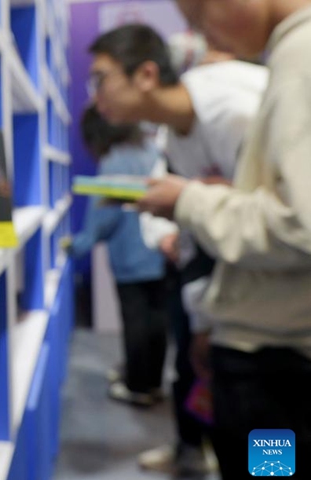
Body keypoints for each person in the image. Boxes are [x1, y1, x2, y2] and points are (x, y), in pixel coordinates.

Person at [138, 1, 311, 478]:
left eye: (198, 12)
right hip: (271, 348)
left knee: (268, 473)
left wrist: (190, 202)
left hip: (271, 360)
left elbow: (301, 223)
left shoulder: (300, 57)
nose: (203, 33)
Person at [88, 23, 268, 474]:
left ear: (146, 74)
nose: (96, 96)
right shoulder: (177, 135)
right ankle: (192, 449)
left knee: (271, 449)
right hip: (233, 315)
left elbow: (280, 222)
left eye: (102, 78)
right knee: (237, 431)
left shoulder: (236, 110)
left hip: (275, 333)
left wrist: (190, 202)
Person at [65, 104, 167, 407]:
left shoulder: (114, 160)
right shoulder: (152, 150)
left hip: (129, 258)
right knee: (156, 322)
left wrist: (77, 245)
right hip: (160, 253)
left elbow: (104, 216)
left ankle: (137, 387)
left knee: (135, 322)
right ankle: (153, 383)